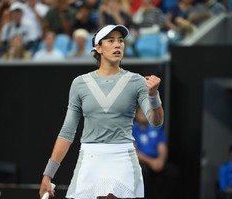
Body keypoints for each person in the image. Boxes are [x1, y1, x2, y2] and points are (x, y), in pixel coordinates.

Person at [39, 24, 164, 199]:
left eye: (120, 41)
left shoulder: (136, 81)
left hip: (122, 158)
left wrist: (153, 95)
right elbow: (67, 132)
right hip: (89, 158)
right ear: (98, 47)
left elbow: (156, 122)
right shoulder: (79, 83)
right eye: (110, 40)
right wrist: (48, 174)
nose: (117, 45)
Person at [132, 107, 179, 199]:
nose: (143, 114)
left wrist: (161, 160)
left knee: (172, 171)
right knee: (143, 172)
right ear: (135, 114)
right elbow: (134, 151)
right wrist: (150, 162)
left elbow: (162, 147)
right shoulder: (132, 129)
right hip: (141, 161)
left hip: (156, 160)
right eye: (141, 112)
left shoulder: (156, 128)